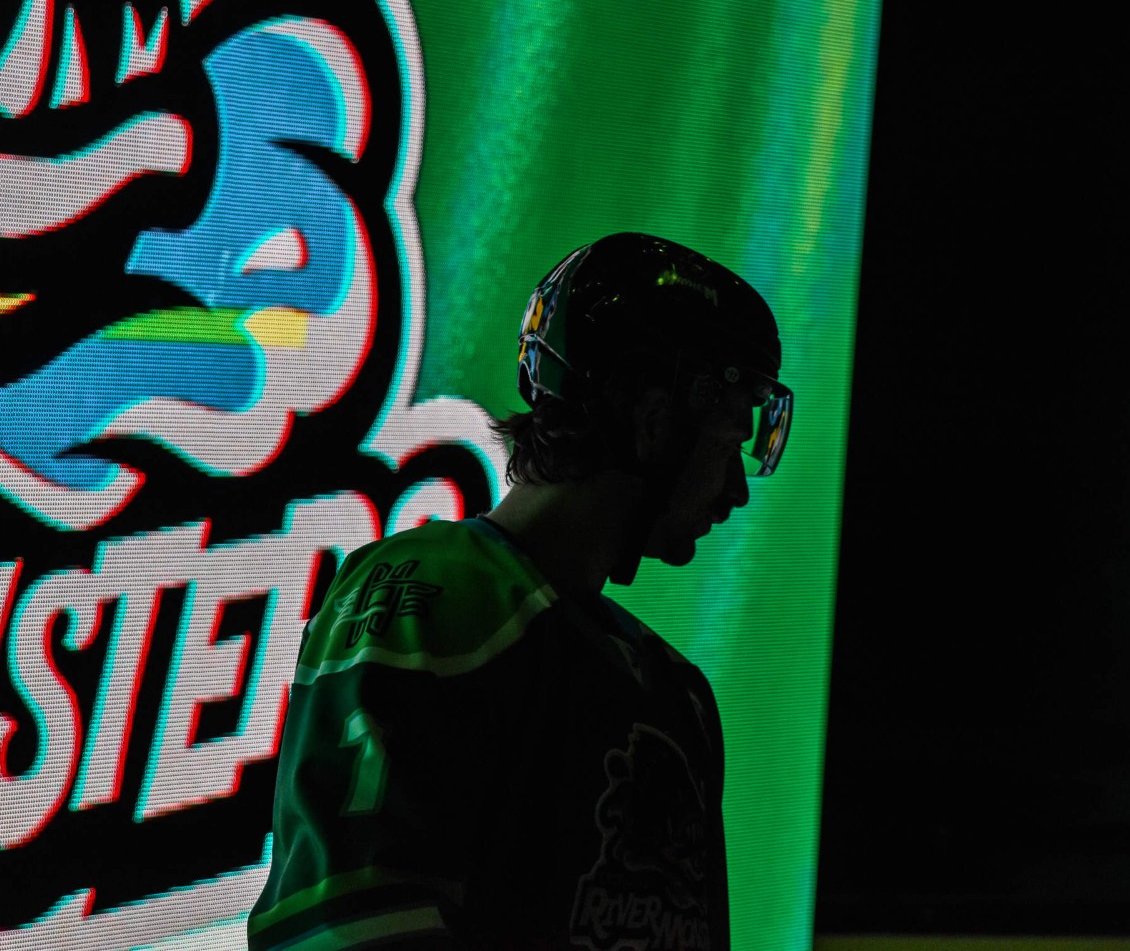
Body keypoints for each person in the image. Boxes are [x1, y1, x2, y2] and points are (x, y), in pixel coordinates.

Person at [247, 232, 793, 950]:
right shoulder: (438, 596)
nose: (737, 488)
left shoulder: (678, 693)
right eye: (728, 441)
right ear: (655, 421)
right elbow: (350, 929)